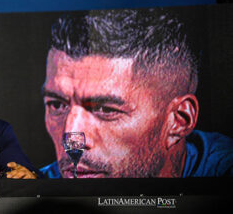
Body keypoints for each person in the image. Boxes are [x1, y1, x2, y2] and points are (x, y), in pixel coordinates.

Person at [40, 9, 233, 178]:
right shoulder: (36, 184)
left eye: (105, 109)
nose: (72, 143)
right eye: (58, 105)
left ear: (178, 120)